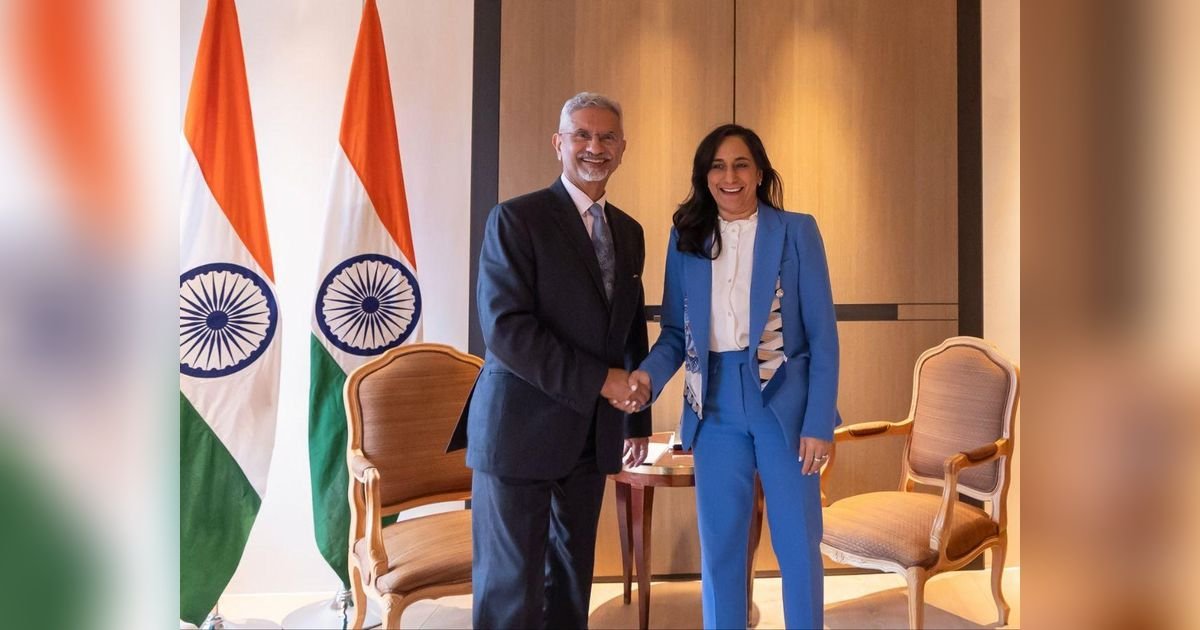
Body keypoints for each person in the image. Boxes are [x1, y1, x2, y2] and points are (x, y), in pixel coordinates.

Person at [447, 92, 652, 629]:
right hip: (519, 432)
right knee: (511, 592)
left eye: (607, 137)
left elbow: (628, 325)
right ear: (558, 143)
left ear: (623, 148)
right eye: (582, 134)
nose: (594, 146)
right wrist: (602, 381)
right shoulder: (516, 219)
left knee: (570, 584)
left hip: (591, 436)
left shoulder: (629, 232)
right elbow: (506, 331)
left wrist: (636, 420)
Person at [630, 124, 840, 629]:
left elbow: (822, 335)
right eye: (718, 166)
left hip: (784, 404)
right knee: (721, 545)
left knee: (797, 542)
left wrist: (819, 423)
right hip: (713, 406)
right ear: (705, 177)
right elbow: (676, 333)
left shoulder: (796, 231)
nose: (730, 176)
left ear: (759, 172)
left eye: (741, 164)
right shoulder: (685, 239)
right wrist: (645, 379)